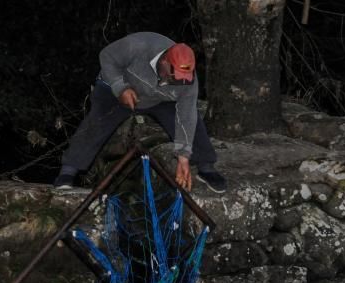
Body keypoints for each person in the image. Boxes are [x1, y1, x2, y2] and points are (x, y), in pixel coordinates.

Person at [53, 32, 227, 193]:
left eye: (183, 79)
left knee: (192, 119)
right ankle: (68, 172)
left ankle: (206, 167)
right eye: (175, 76)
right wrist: (120, 88)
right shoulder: (140, 45)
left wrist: (183, 155)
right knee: (97, 121)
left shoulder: (188, 81)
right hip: (117, 89)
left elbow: (186, 115)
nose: (179, 82)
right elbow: (107, 56)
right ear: (165, 61)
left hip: (157, 99)